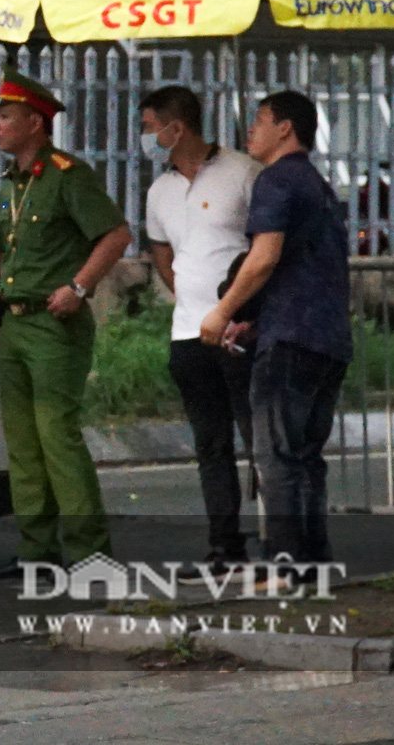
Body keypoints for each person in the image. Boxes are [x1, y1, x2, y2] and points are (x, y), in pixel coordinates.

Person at [0, 71, 132, 577]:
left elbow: (116, 235)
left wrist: (81, 287)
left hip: (54, 325)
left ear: (35, 123)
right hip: (15, 325)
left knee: (57, 437)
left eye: (6, 117)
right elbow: (1, 257)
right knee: (22, 444)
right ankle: (36, 550)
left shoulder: (69, 175)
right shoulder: (9, 184)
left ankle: (90, 552)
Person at [198, 91, 351, 574]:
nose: (251, 130)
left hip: (291, 339)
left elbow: (263, 259)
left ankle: (284, 565)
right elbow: (303, 268)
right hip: (327, 337)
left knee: (278, 457)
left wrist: (222, 312)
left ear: (285, 128)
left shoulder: (276, 179)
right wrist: (254, 321)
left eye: (261, 120)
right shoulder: (317, 185)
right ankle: (312, 561)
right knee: (305, 456)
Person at [140, 85, 262, 573]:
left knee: (259, 441)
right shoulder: (159, 190)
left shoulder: (243, 173)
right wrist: (189, 299)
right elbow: (163, 255)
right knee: (211, 446)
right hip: (189, 335)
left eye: (150, 128)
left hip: (242, 332)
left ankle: (282, 545)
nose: (146, 138)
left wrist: (240, 309)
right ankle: (224, 547)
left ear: (177, 127)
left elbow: (266, 249)